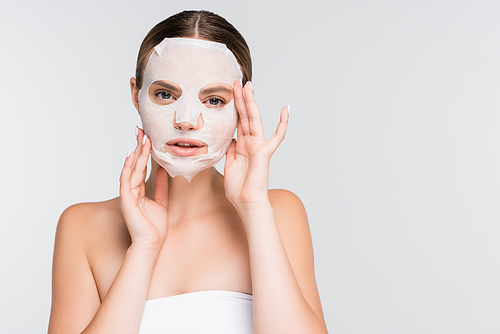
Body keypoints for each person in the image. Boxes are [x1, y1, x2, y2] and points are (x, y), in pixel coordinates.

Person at [48, 10, 328, 334]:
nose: (186, 119)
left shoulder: (278, 213)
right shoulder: (83, 228)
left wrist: (253, 209)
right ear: (135, 94)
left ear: (242, 105)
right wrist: (143, 248)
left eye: (213, 99)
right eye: (165, 94)